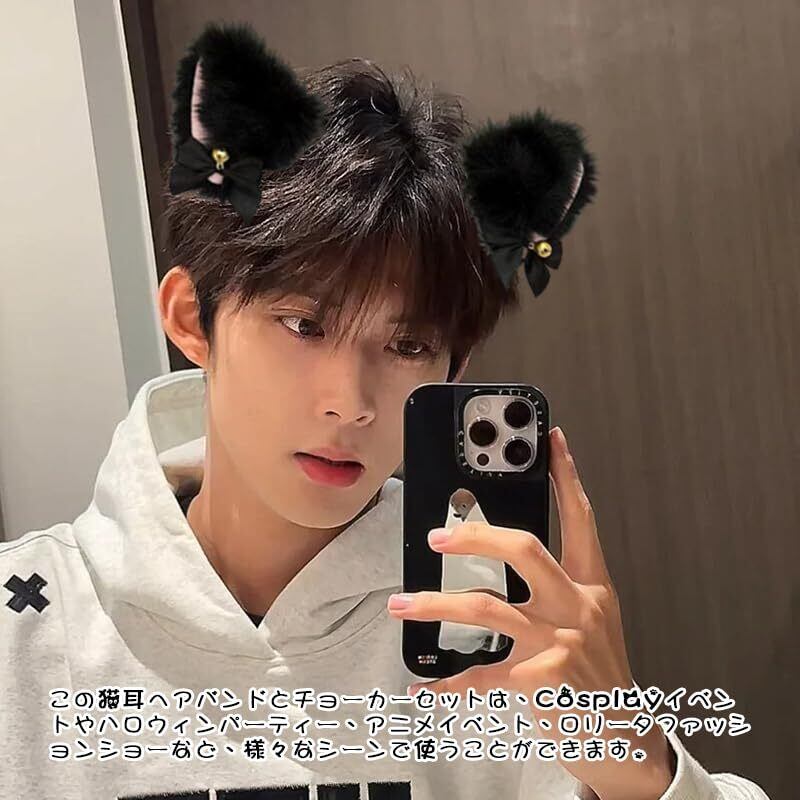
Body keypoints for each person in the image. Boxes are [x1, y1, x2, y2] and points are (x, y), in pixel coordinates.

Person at [0, 22, 769, 800]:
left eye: (406, 346)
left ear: (452, 370)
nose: (351, 403)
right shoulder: (26, 625)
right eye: (304, 325)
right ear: (192, 319)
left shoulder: (490, 630)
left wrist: (638, 763)